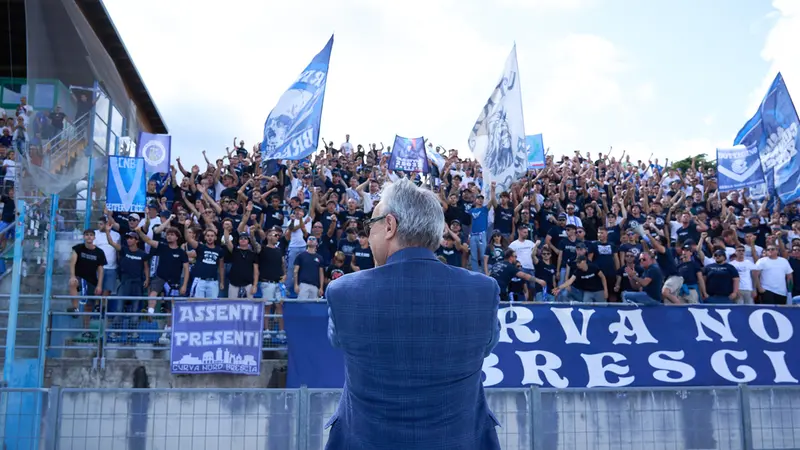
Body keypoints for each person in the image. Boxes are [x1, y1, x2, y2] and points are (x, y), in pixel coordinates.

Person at [325, 178, 501, 449]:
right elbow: (487, 347)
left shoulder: (344, 292)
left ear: (390, 226)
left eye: (371, 224)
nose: (369, 233)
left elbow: (338, 340)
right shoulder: (483, 290)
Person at [68, 229, 107, 338]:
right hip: (79, 277)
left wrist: (99, 285)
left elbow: (101, 270)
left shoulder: (99, 252)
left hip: (92, 280)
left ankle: (86, 330)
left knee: (89, 306)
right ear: (84, 237)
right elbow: (72, 263)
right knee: (72, 283)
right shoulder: (78, 248)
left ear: (94, 237)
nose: (89, 237)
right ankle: (75, 308)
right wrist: (72, 276)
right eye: (87, 235)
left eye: (91, 235)